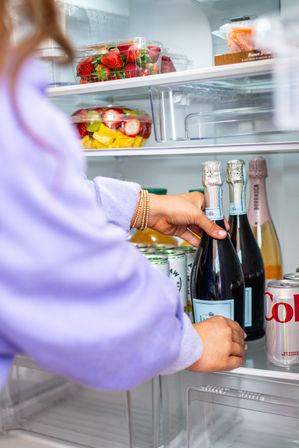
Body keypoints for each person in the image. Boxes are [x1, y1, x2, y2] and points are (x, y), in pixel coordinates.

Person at [0, 0, 246, 391]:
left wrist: (145, 207)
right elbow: (80, 285)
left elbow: (40, 205)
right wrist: (186, 343)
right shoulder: (12, 117)